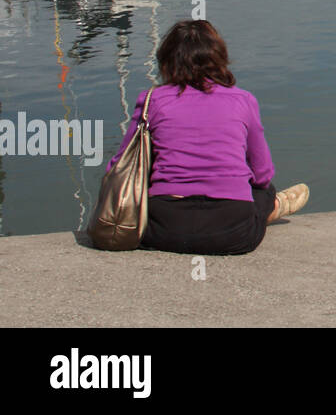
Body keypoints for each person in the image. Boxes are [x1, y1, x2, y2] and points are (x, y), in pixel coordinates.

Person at [102, 20, 308, 255]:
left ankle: (267, 207)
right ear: (219, 58)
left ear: (167, 61)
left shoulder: (153, 101)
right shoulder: (243, 100)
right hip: (233, 233)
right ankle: (272, 207)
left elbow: (118, 167)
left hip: (164, 230)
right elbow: (262, 175)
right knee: (266, 191)